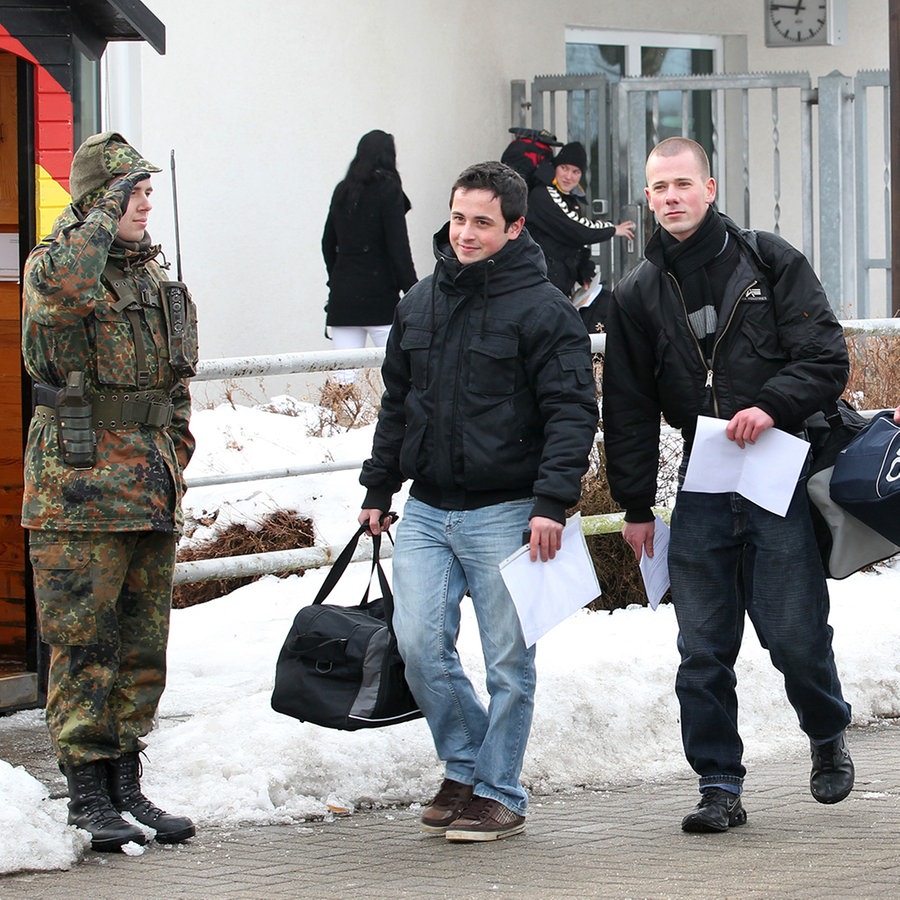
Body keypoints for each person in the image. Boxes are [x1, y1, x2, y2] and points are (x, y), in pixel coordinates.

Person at [602, 137, 854, 834]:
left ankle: (827, 727)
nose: (672, 197)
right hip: (704, 486)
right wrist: (634, 504)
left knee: (795, 635)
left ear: (710, 188)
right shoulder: (635, 293)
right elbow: (624, 408)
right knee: (702, 649)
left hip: (778, 473)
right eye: (659, 188)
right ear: (648, 199)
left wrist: (769, 404)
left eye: (683, 183)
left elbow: (827, 357)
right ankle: (718, 784)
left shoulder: (770, 260)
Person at [359, 161, 598, 842]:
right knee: (418, 645)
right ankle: (465, 768)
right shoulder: (420, 301)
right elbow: (398, 405)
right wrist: (379, 486)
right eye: (458, 218)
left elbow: (572, 410)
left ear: (515, 226)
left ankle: (500, 792)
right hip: (429, 510)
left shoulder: (545, 308)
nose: (464, 233)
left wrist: (552, 502)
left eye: (482, 222)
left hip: (507, 511)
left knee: (507, 662)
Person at [21, 132, 198, 852]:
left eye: (149, 193)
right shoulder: (57, 265)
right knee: (82, 642)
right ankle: (86, 788)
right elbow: (63, 297)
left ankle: (127, 779)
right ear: (98, 200)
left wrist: (174, 451)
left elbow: (176, 383)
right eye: (131, 193)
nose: (145, 205)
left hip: (149, 486)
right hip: (79, 490)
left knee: (139, 645)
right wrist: (94, 218)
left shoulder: (152, 281)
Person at [321, 130, 418, 383]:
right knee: (400, 375)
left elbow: (327, 243)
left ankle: (341, 421)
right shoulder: (389, 190)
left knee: (343, 380)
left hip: (344, 301)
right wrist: (415, 293)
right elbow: (399, 248)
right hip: (380, 299)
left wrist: (338, 279)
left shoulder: (343, 190)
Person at [525, 140, 634, 324]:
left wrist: (582, 270)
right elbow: (577, 229)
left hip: (556, 286)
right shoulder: (543, 194)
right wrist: (613, 229)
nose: (569, 176)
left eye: (575, 172)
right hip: (538, 287)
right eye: (564, 168)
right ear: (555, 167)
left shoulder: (569, 200)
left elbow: (572, 242)